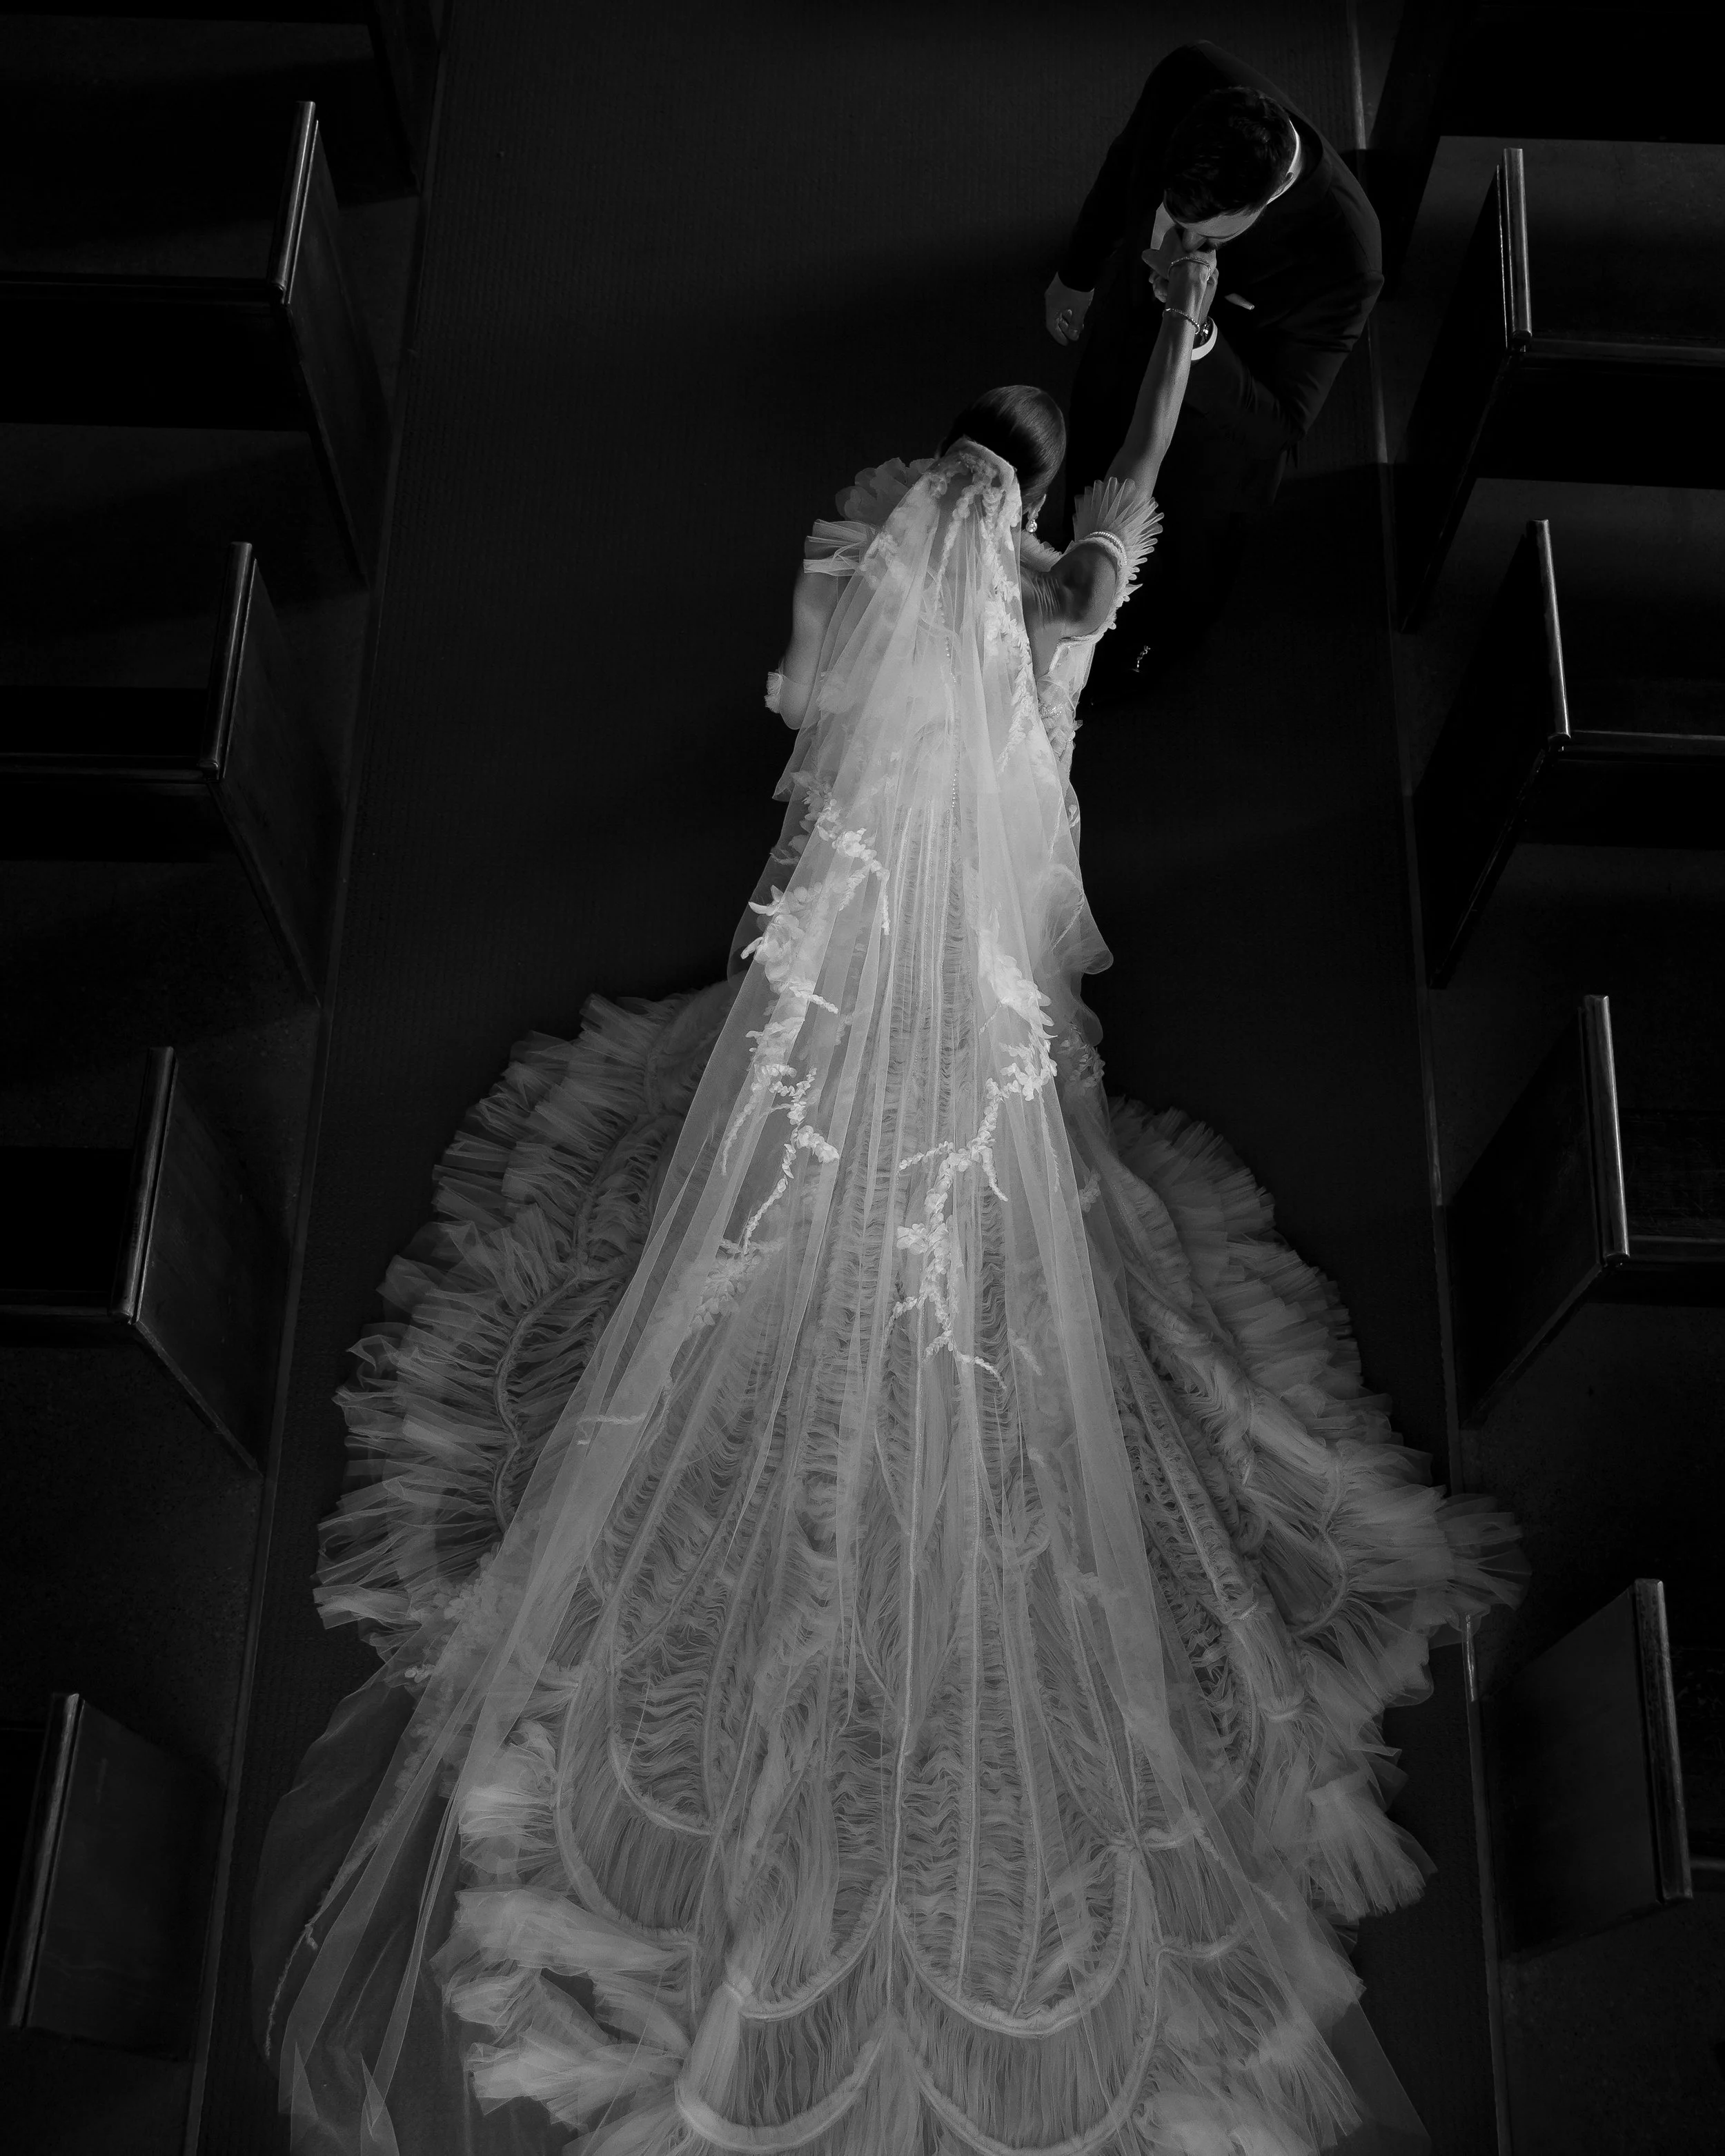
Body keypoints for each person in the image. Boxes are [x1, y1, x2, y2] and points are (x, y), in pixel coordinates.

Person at [252, 255, 1515, 2155]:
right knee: (1025, 1309)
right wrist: (1167, 335)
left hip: (856, 987)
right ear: (1032, 510)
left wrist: (1066, 392)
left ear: (930, 497)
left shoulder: (870, 585)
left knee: (775, 1268)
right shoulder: (1074, 601)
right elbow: (1133, 481)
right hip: (984, 1015)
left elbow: (808, 737)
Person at [1045, 41, 1383, 698]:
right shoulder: (1187, 78)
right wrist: (1077, 273)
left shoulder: (1346, 252)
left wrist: (1195, 334)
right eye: (1173, 217)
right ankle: (1070, 599)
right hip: (1117, 352)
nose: (1174, 246)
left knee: (1178, 577)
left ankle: (1140, 654)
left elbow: (1281, 425)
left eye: (1210, 239)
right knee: (1088, 470)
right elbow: (1125, 163)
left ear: (1266, 200)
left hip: (1209, 449)